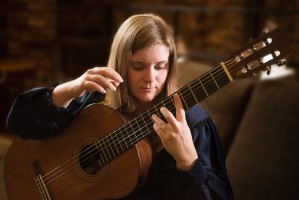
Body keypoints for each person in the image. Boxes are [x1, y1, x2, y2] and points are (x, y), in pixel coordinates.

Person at [6, 13, 233, 200]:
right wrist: (69, 89)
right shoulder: (98, 102)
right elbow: (18, 123)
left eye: (160, 66)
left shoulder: (193, 125)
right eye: (138, 66)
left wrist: (189, 162)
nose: (150, 78)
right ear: (120, 64)